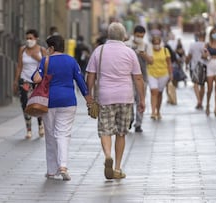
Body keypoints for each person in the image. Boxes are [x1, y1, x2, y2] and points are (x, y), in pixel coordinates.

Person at [86, 22, 145, 179]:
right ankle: (118, 168)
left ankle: (107, 156)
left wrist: (89, 96)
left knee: (105, 130)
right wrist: (142, 100)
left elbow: (90, 75)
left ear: (108, 35)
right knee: (121, 133)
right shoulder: (130, 53)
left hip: (105, 97)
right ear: (124, 36)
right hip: (125, 97)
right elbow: (138, 78)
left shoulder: (99, 51)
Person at [31, 35, 92, 181]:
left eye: (48, 47)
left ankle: (51, 170)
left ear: (51, 48)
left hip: (49, 101)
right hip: (68, 101)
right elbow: (80, 81)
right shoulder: (71, 61)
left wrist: (43, 64)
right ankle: (63, 166)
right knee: (63, 134)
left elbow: (35, 79)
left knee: (50, 135)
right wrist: (89, 100)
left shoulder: (45, 60)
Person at [13, 29, 47, 139]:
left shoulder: (42, 50)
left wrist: (37, 58)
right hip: (25, 80)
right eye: (27, 38)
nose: (28, 40)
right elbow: (19, 66)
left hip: (37, 81)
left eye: (31, 38)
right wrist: (15, 80)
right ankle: (28, 129)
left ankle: (40, 125)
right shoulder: (22, 50)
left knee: (37, 104)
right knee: (25, 104)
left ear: (36, 39)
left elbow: (46, 65)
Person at [125, 25, 153, 133]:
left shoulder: (146, 45)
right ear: (134, 34)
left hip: (142, 77)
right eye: (137, 36)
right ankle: (129, 119)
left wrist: (144, 55)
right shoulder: (127, 45)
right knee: (129, 100)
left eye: (141, 36)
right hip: (128, 77)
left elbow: (151, 61)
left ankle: (138, 124)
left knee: (140, 100)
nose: (139, 38)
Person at [148, 35, 173, 119]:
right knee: (154, 91)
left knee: (159, 93)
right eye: (155, 43)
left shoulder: (165, 50)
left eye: (158, 43)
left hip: (163, 74)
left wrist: (171, 74)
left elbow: (169, 63)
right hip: (152, 73)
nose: (156, 45)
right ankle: (152, 111)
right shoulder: (149, 51)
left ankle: (158, 111)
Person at [185, 31, 206, 110]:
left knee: (195, 84)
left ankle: (198, 100)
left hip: (194, 67)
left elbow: (189, 56)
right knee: (202, 85)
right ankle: (201, 101)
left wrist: (186, 64)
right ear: (204, 36)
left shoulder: (193, 45)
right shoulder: (206, 45)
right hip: (204, 66)